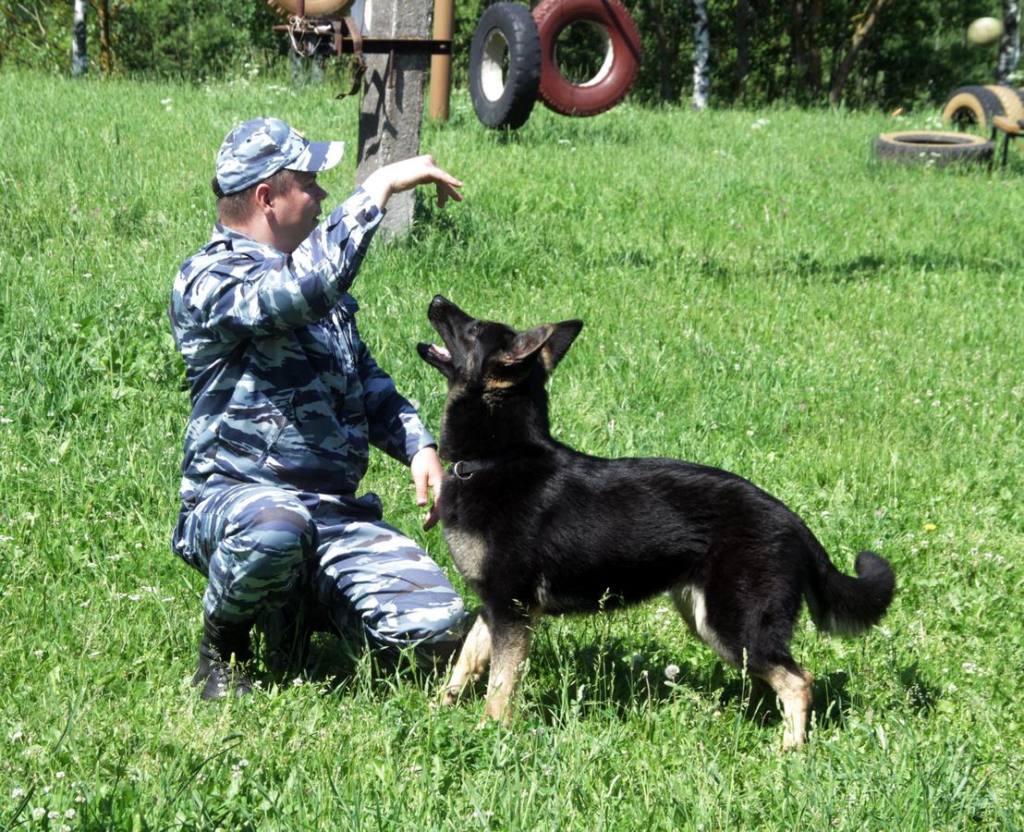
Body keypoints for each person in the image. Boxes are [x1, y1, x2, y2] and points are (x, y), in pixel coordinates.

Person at [169, 116, 466, 700]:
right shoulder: (210, 278)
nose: (322, 195)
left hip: (333, 514)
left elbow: (368, 383)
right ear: (266, 198)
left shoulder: (315, 281)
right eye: (309, 182)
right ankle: (221, 649)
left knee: (437, 626)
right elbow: (298, 292)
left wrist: (419, 445)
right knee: (277, 529)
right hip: (239, 504)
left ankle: (303, 606)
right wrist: (377, 189)